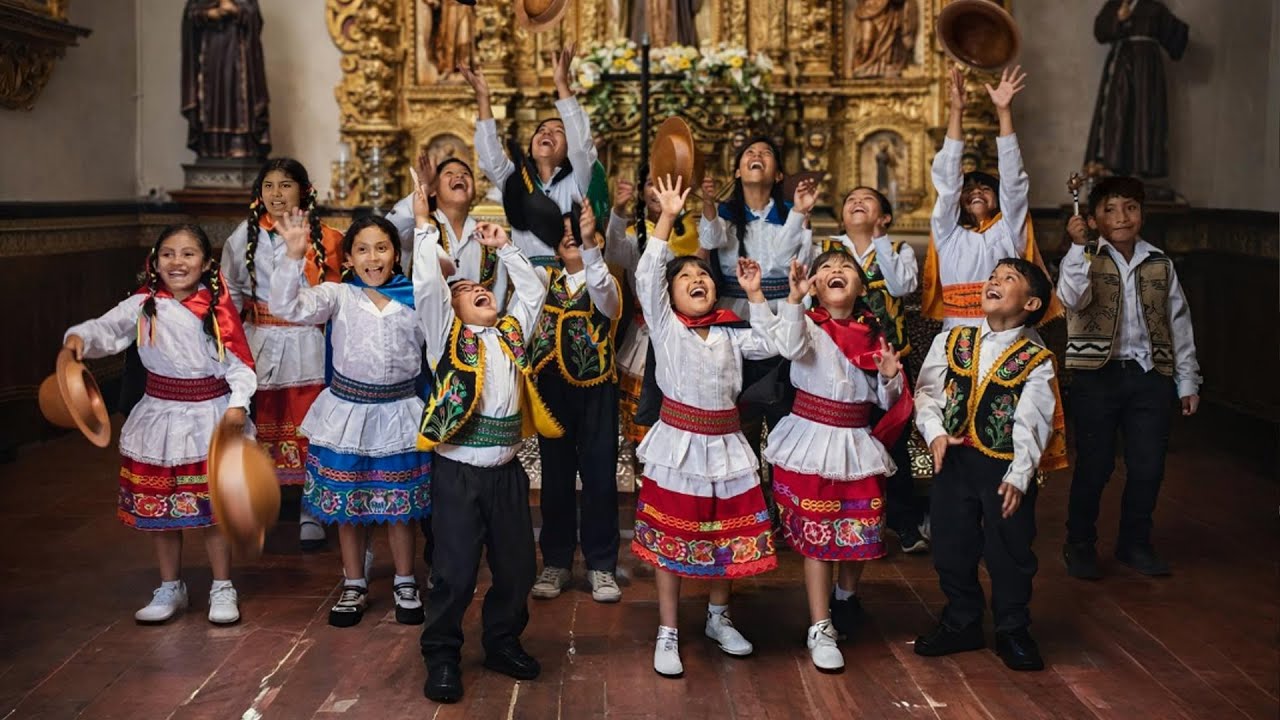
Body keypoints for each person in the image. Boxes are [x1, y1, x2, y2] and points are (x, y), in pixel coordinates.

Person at [63, 224, 255, 625]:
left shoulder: (215, 310)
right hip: (159, 414)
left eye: (188, 254)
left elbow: (240, 365)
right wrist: (80, 339)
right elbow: (106, 328)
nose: (177, 262)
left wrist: (238, 405)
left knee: (213, 509)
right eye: (168, 253)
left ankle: (222, 586)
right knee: (163, 507)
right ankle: (171, 586)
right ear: (155, 260)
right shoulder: (143, 304)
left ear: (205, 263)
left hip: (208, 415)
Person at [632, 176, 780, 679]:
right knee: (673, 537)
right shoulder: (668, 327)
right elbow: (646, 277)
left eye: (704, 274)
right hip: (679, 446)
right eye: (686, 276)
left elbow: (771, 345)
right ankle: (668, 630)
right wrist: (668, 219)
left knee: (728, 535)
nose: (698, 279)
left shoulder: (731, 331)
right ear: (670, 296)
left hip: (728, 444)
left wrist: (756, 295)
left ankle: (719, 617)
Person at [415, 222, 562, 704]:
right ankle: (441, 653)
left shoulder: (511, 335)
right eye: (466, 290)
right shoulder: (447, 340)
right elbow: (427, 290)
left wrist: (506, 248)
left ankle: (502, 641)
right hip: (457, 474)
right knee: (454, 571)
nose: (477, 290)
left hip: (506, 475)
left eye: (482, 287)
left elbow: (533, 292)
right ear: (452, 310)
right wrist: (422, 230)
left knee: (518, 568)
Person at [269, 213, 433, 627]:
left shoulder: (416, 298)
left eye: (382, 248)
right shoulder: (338, 296)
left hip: (399, 413)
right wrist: (292, 255)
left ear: (397, 254)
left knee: (400, 507)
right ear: (349, 258)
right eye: (362, 249)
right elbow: (287, 306)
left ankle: (405, 580)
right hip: (346, 416)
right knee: (349, 506)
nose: (372, 258)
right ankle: (354, 582)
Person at [763, 253, 912, 670]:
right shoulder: (808, 323)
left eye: (845, 267)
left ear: (862, 287)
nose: (835, 272)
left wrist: (887, 376)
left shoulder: (873, 335)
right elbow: (789, 347)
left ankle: (845, 598)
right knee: (819, 537)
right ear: (813, 284)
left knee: (858, 529)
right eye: (825, 268)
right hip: (811, 439)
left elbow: (887, 400)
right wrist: (794, 299)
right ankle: (820, 624)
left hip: (855, 442)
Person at [913, 259, 1060, 672]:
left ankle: (1013, 628)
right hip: (955, 461)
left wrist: (1019, 475)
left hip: (1004, 471)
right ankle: (963, 620)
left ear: (1031, 303)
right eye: (992, 276)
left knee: (1009, 550)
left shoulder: (1036, 358)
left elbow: (1034, 420)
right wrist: (935, 432)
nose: (994, 281)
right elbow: (927, 392)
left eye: (1008, 279)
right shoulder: (953, 339)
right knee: (950, 544)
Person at [1058, 176, 1201, 578]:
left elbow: (1179, 324)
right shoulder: (1084, 257)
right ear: (1094, 218)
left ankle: (1134, 542)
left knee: (1148, 466)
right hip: (1096, 377)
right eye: (1110, 209)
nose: (1122, 217)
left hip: (1149, 376)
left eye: (1131, 208)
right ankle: (1080, 542)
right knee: (1096, 465)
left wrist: (1187, 380)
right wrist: (1077, 246)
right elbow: (1072, 297)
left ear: (1142, 213)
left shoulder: (1159, 262)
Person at [221, 158, 344, 551]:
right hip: (262, 338)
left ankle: (312, 509)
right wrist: (236, 344)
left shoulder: (327, 238)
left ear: (305, 190)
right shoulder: (244, 237)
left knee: (307, 420)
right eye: (269, 185)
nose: (276, 193)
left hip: (308, 341)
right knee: (264, 420)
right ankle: (262, 501)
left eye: (285, 185)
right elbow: (232, 293)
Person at [527, 204, 624, 603]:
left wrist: (589, 249)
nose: (573, 235)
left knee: (600, 479)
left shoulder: (606, 281)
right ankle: (556, 561)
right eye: (566, 233)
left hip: (597, 389)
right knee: (556, 479)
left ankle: (601, 566)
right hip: (552, 390)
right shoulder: (543, 280)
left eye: (583, 231)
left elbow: (607, 302)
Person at [821, 187, 925, 553]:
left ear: (884, 216)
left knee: (891, 439)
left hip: (888, 359)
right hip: (837, 360)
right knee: (841, 439)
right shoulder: (825, 250)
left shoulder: (898, 251)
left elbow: (902, 286)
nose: (857, 203)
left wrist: (880, 240)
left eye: (867, 200)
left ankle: (902, 520)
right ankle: (839, 517)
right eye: (850, 200)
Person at [463, 46, 597, 275]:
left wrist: (562, 85)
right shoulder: (516, 181)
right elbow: (490, 156)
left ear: (567, 149)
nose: (547, 133)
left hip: (572, 277)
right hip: (528, 280)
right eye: (542, 130)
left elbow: (581, 146)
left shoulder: (579, 178)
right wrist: (483, 98)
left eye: (558, 132)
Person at [1083, 0, 1189, 179]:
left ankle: (1142, 168)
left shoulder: (1155, 8)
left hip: (1149, 71)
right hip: (1122, 64)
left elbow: (1176, 42)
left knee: (1146, 115)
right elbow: (1100, 32)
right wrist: (1118, 18)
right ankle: (1113, 165)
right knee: (1118, 112)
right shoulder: (1114, 5)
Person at [181, 0, 270, 159]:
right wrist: (207, 14)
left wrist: (235, 10)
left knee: (237, 96)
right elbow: (189, 16)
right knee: (212, 99)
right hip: (210, 53)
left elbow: (255, 18)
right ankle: (211, 148)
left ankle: (240, 144)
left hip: (238, 53)